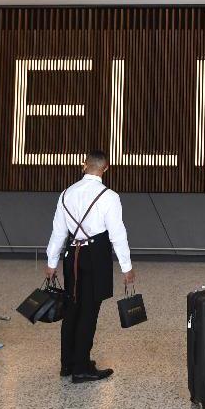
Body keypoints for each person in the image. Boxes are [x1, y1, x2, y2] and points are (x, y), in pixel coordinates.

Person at [45, 151, 136, 383]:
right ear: (106, 168)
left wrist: (51, 262)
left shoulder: (66, 193)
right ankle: (82, 368)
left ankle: (67, 364)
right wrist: (126, 267)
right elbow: (117, 234)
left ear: (84, 165)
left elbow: (58, 232)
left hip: (71, 257)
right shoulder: (109, 196)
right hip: (96, 257)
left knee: (72, 308)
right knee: (89, 311)